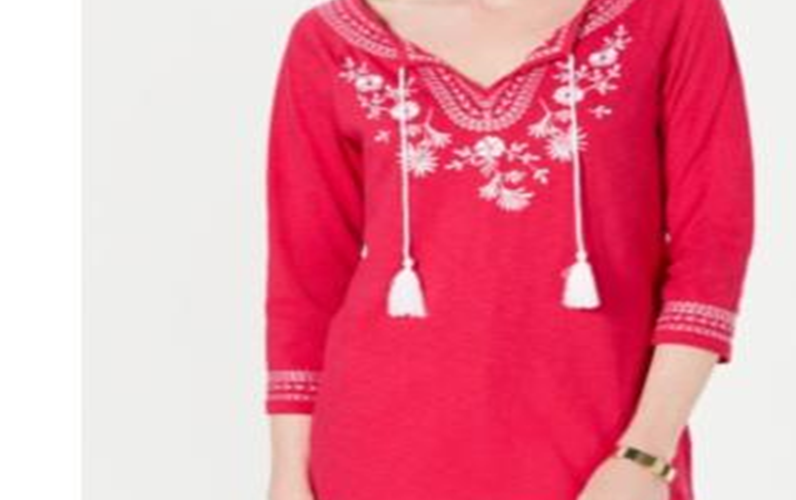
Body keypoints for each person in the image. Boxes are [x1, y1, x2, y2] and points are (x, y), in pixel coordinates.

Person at [263, 0, 754, 498]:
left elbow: (712, 243)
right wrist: (288, 475)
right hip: (378, 453)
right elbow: (305, 282)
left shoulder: (667, 15)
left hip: (602, 451)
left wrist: (646, 454)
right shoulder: (330, 40)